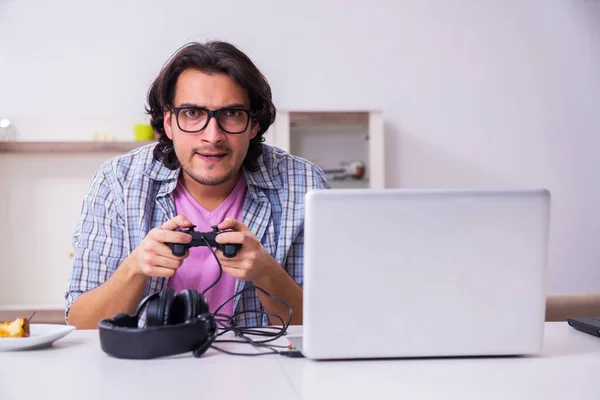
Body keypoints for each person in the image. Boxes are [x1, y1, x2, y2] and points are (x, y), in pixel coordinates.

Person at [65, 41, 330, 329]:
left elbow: (332, 323)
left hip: (269, 369)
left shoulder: (304, 185)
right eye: (192, 114)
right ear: (168, 122)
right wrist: (134, 269)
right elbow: (81, 324)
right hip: (148, 369)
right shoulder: (118, 181)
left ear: (254, 125)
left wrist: (268, 274)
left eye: (231, 114)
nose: (212, 136)